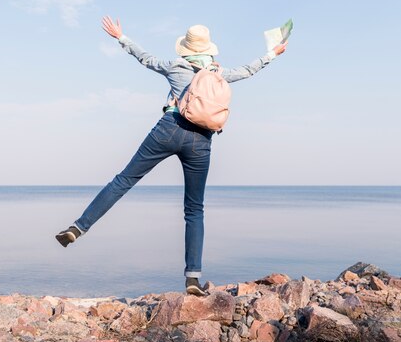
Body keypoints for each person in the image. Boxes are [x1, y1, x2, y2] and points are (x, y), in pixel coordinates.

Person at [56, 16, 287, 296]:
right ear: (209, 49)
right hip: (200, 141)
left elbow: (145, 58)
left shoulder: (175, 65)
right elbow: (249, 70)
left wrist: (121, 37)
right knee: (194, 209)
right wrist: (271, 54)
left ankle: (77, 228)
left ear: (187, 48)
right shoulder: (217, 72)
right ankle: (192, 278)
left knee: (123, 181)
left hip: (168, 129)